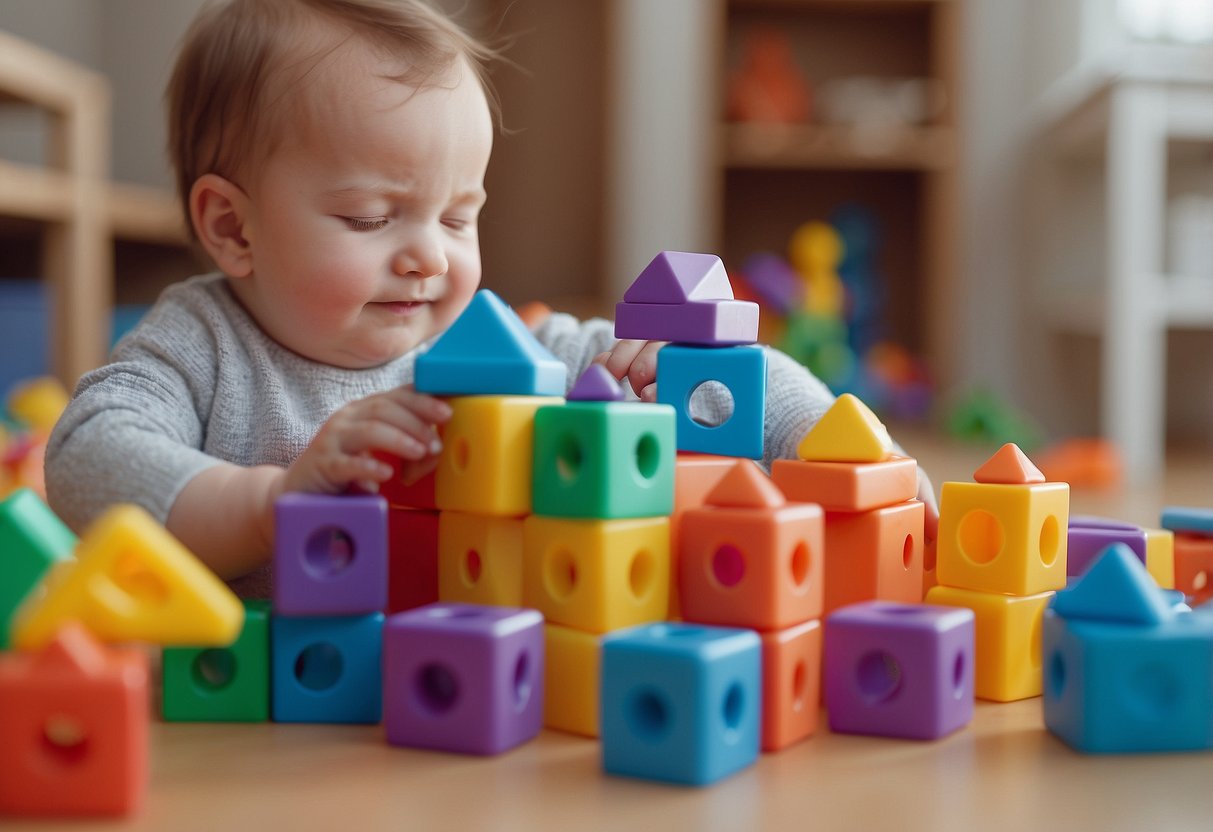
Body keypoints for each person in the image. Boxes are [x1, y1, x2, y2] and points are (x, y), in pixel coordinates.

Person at [45, 0, 936, 599]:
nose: (428, 255)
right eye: (370, 217)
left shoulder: (501, 346)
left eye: (459, 217)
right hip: (269, 709)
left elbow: (737, 375)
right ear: (233, 229)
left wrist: (851, 461)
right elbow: (86, 457)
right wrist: (273, 502)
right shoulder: (201, 343)